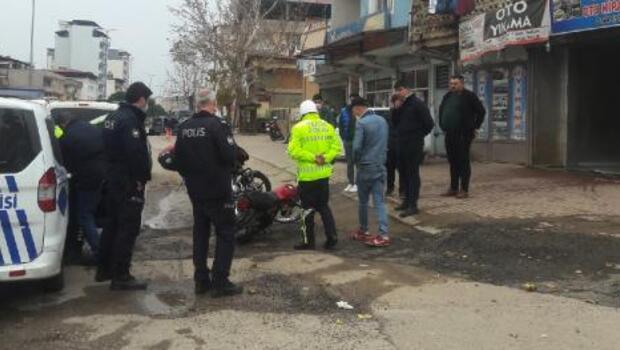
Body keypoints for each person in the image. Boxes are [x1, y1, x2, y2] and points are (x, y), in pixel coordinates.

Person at [174, 90, 242, 298]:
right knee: (225, 233)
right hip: (218, 190)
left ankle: (201, 280)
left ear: (197, 105)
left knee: (200, 234)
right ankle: (220, 281)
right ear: (212, 104)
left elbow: (179, 160)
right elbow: (229, 155)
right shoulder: (217, 125)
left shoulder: (184, 127)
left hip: (196, 191)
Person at [98, 82, 153, 291]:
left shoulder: (112, 117)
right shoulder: (130, 121)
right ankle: (121, 274)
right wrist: (142, 178)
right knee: (127, 228)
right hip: (127, 182)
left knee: (111, 226)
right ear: (140, 100)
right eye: (146, 101)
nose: (146, 105)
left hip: (113, 180)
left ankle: (105, 268)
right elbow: (136, 155)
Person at [288, 100, 342, 250]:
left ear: (302, 113)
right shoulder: (327, 126)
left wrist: (313, 158)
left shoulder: (298, 128)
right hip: (323, 175)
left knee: (307, 210)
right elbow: (336, 147)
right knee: (324, 206)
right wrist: (325, 158)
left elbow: (293, 151)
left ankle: (308, 241)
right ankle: (332, 237)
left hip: (307, 177)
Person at [57, 112, 107, 263]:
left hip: (86, 180)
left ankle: (101, 253)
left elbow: (65, 164)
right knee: (88, 213)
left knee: (84, 216)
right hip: (103, 175)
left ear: (62, 124)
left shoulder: (67, 137)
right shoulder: (90, 127)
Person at [348, 97, 391, 247]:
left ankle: (364, 230)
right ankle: (384, 235)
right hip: (380, 165)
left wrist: (355, 161)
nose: (354, 113)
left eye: (353, 110)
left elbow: (356, 148)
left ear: (358, 108)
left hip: (366, 167)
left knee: (363, 201)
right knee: (379, 201)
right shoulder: (382, 121)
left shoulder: (362, 123)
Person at [439, 75, 486, 199]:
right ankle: (453, 188)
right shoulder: (448, 96)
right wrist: (443, 125)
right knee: (452, 161)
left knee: (463, 161)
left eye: (455, 83)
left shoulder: (469, 96)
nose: (453, 86)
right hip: (449, 133)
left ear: (462, 84)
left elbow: (481, 111)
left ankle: (464, 189)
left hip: (463, 134)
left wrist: (475, 127)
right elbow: (442, 110)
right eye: (451, 84)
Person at [393, 80, 434, 218]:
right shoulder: (401, 105)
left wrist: (417, 136)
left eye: (400, 90)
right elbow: (395, 123)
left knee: (412, 174)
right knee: (403, 173)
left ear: (407, 89)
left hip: (413, 144)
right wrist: (395, 109)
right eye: (396, 90)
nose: (397, 93)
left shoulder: (417, 104)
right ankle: (406, 201)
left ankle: (413, 205)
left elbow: (429, 124)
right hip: (401, 143)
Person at [338, 94, 360, 193]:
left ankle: (358, 183)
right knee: (349, 163)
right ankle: (351, 182)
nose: (352, 101)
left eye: (354, 99)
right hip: (348, 140)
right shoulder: (344, 111)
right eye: (351, 99)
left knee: (358, 163)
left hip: (357, 140)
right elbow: (341, 125)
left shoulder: (359, 111)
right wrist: (343, 137)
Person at [386, 94, 404, 197]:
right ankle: (390, 188)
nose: (398, 103)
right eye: (396, 101)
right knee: (389, 168)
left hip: (401, 144)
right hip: (391, 144)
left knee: (401, 169)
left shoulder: (405, 113)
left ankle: (402, 190)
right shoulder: (390, 113)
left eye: (400, 101)